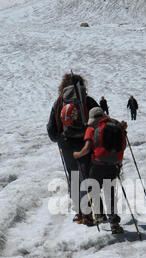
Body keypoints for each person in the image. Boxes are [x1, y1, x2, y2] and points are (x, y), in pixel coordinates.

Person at [47, 73, 99, 224]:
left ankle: (80, 212)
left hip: (67, 144)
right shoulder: (88, 101)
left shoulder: (59, 103)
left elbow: (51, 130)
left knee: (74, 175)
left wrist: (60, 139)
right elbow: (101, 121)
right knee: (86, 175)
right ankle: (88, 212)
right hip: (86, 142)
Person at [73, 107, 127, 234]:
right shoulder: (116, 127)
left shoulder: (91, 129)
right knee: (110, 193)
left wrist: (77, 155)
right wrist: (119, 163)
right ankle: (114, 223)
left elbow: (86, 149)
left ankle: (99, 215)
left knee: (93, 188)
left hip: (97, 165)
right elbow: (122, 147)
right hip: (113, 165)